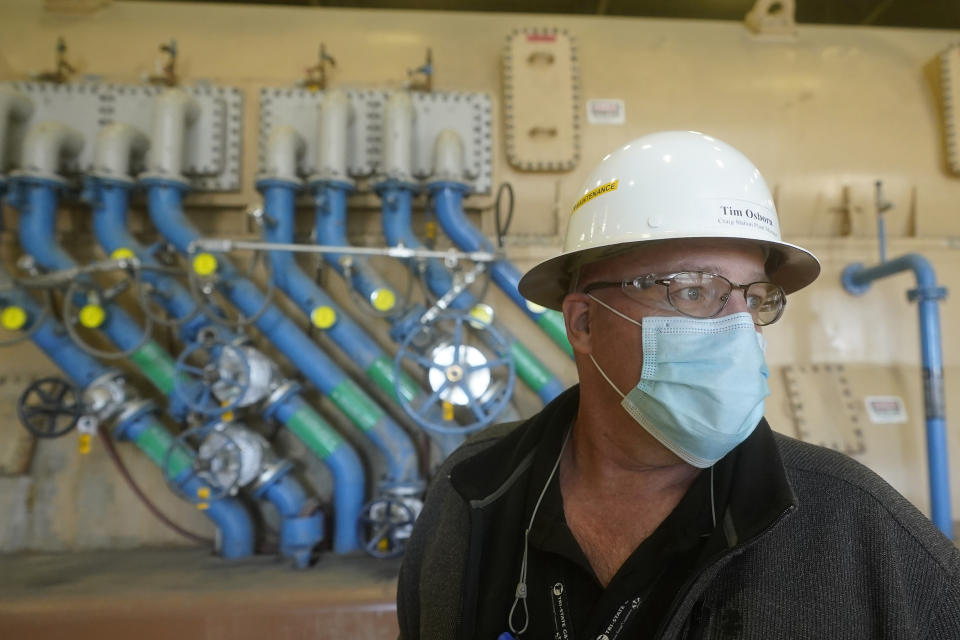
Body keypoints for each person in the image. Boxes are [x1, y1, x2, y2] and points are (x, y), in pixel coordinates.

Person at [396, 131, 960, 639]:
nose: (738, 326)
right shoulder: (473, 489)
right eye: (691, 290)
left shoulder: (856, 523)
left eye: (755, 298)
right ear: (583, 322)